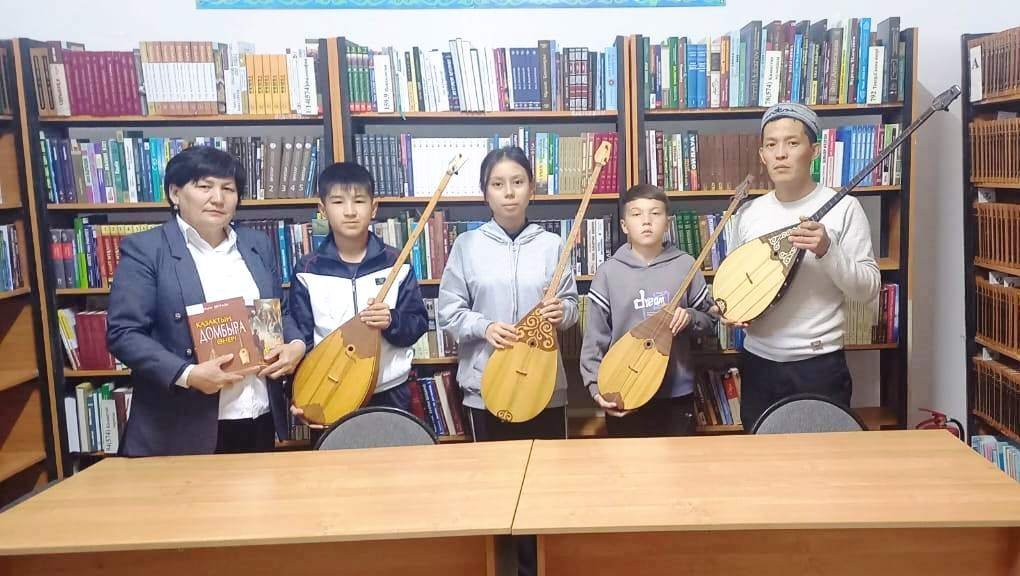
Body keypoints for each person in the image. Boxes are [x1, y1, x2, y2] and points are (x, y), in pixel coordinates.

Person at [108, 145, 305, 456]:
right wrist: (187, 375)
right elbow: (124, 333)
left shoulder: (256, 244)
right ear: (175, 193)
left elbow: (280, 313)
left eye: (228, 188)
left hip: (258, 414)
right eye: (204, 186)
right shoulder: (146, 249)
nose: (218, 198)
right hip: (182, 425)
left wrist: (295, 345)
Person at [437, 145, 578, 576]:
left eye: (517, 182)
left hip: (544, 388)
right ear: (486, 192)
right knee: (495, 493)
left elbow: (572, 306)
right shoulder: (467, 245)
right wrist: (484, 327)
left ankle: (542, 568)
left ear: (531, 188)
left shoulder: (553, 244)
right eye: (498, 184)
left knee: (544, 492)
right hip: (487, 387)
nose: (509, 192)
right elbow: (448, 311)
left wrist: (563, 312)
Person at [726, 102, 881, 430]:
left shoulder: (845, 208)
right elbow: (741, 283)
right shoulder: (749, 214)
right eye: (771, 145)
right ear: (762, 155)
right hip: (758, 365)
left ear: (815, 151)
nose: (780, 153)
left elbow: (868, 289)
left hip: (819, 366)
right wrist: (730, 309)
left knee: (823, 458)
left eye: (792, 143)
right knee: (761, 456)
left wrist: (827, 250)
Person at [284, 162, 428, 418]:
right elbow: (302, 339)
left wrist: (391, 320)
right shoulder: (307, 269)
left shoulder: (397, 263)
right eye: (338, 202)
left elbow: (417, 324)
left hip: (389, 392)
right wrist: (300, 392)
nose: (350, 211)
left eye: (359, 201)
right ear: (322, 209)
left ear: (374, 208)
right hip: (330, 390)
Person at [580, 183, 717, 437]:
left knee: (678, 461)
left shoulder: (685, 265)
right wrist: (596, 388)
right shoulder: (608, 273)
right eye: (636, 214)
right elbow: (595, 339)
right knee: (628, 461)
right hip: (625, 389)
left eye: (655, 213)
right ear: (624, 226)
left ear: (667, 223)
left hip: (676, 393)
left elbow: (710, 320)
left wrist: (690, 318)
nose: (646, 221)